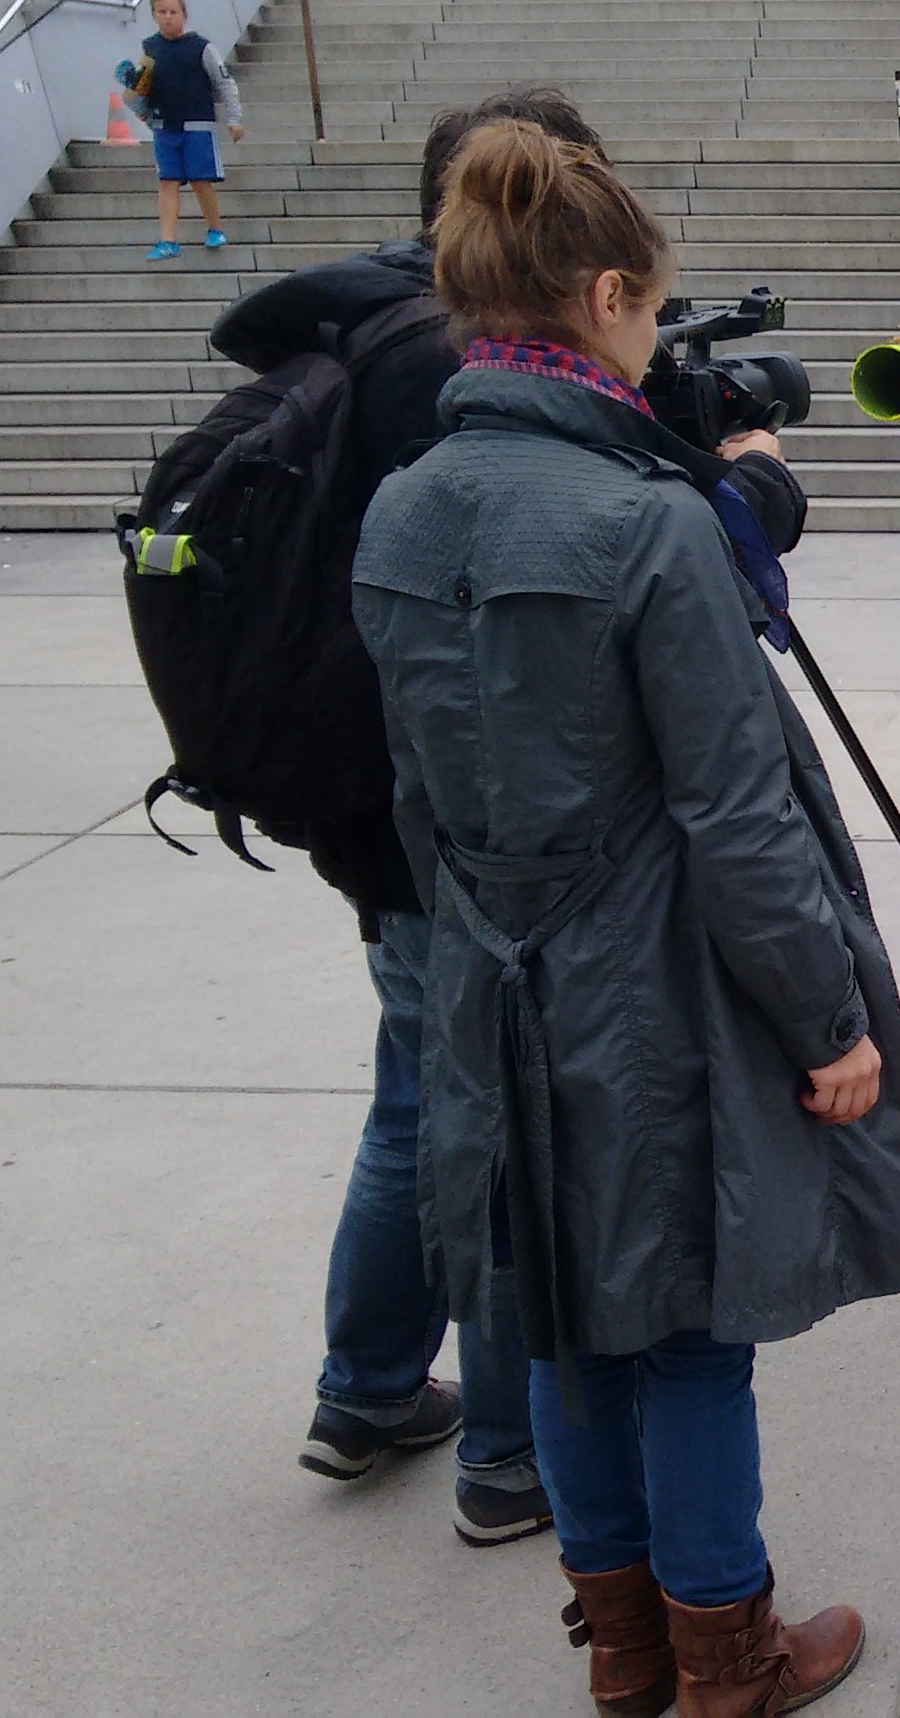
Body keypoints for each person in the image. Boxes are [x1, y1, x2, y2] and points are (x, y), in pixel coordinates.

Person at [353, 122, 900, 1715]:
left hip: (491, 974)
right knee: (688, 1333)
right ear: (610, 293)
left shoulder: (403, 508)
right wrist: (825, 1024)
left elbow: (411, 792)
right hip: (659, 986)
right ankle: (723, 1655)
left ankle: (626, 1648)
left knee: (553, 1326)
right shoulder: (652, 522)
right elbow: (736, 817)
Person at [212, 86, 611, 1550]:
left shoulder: (360, 330)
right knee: (499, 1131)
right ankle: (507, 1455)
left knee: (417, 1094)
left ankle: (368, 1385)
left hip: (370, 810)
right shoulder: (445, 372)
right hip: (462, 825)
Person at [134, 0, 241, 260]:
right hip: (164, 125)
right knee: (167, 181)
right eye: (162, 12)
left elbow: (224, 81)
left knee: (200, 180)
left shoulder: (201, 47)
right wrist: (141, 107)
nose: (168, 18)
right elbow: (145, 84)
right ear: (154, 16)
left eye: (173, 12)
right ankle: (167, 240)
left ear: (184, 15)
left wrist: (233, 118)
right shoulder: (150, 47)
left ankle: (215, 228)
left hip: (198, 124)